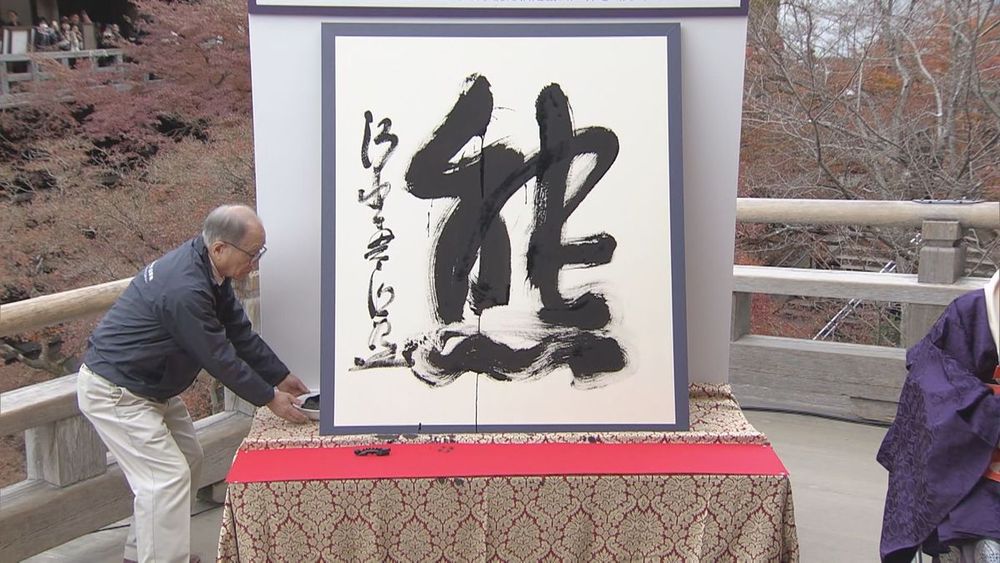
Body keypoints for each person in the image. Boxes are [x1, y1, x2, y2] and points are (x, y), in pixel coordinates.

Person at [77, 204, 310, 563]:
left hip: (151, 386)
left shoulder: (209, 269)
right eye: (252, 253)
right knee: (164, 478)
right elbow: (218, 357)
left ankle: (141, 554)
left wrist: (279, 375)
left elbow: (238, 333)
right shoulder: (185, 288)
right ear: (220, 247)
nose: (255, 263)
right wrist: (269, 397)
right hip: (117, 390)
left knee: (186, 460)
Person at [878, 269, 1000, 562]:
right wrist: (986, 412)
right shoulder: (972, 312)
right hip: (973, 461)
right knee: (968, 526)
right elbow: (932, 383)